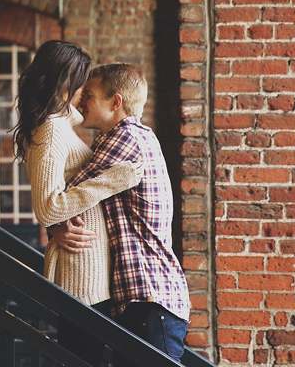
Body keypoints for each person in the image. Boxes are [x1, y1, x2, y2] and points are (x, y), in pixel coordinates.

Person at [49, 63, 190, 363]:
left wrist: (54, 225)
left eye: (88, 95)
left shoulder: (125, 138)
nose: (80, 101)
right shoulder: (122, 138)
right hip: (144, 301)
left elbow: (62, 199)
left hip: (150, 298)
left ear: (116, 102)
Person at [13, 42, 143, 309]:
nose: (85, 93)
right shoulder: (50, 130)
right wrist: (112, 181)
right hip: (81, 271)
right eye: (83, 83)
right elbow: (49, 208)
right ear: (65, 82)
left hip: (90, 267)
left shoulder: (58, 127)